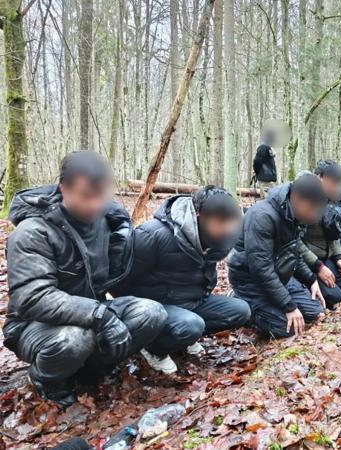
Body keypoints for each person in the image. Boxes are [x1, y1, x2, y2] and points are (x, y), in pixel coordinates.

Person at [3, 151, 167, 406]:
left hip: (91, 312)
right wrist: (100, 315)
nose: (95, 205)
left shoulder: (106, 221)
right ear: (63, 189)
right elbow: (33, 299)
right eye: (86, 196)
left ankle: (91, 371)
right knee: (74, 338)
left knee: (150, 313)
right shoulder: (33, 232)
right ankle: (47, 379)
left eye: (101, 196)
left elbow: (117, 277)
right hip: (35, 325)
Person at [113, 186, 251, 374]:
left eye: (229, 222)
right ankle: (153, 347)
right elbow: (121, 281)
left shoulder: (219, 238)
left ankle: (183, 337)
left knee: (241, 311)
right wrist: (142, 319)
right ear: (200, 216)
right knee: (191, 325)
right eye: (220, 222)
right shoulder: (153, 234)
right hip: (156, 307)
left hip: (192, 300)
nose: (226, 228)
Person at [227, 174, 327, 339]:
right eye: (311, 208)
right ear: (296, 198)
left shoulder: (294, 216)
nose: (312, 214)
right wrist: (288, 306)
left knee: (316, 313)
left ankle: (273, 304)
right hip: (251, 282)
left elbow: (293, 253)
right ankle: (239, 300)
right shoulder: (262, 216)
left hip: (280, 275)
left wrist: (311, 280)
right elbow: (261, 268)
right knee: (289, 329)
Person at [300, 161, 341, 308]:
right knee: (336, 298)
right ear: (320, 177)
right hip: (308, 261)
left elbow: (333, 231)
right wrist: (318, 267)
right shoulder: (304, 198)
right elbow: (295, 242)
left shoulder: (331, 200)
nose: (335, 187)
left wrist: (338, 258)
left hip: (327, 258)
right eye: (332, 182)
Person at [253, 130, 278, 197]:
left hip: (269, 179)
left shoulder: (268, 148)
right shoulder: (263, 147)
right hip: (265, 180)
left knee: (271, 198)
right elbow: (257, 161)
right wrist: (257, 171)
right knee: (268, 199)